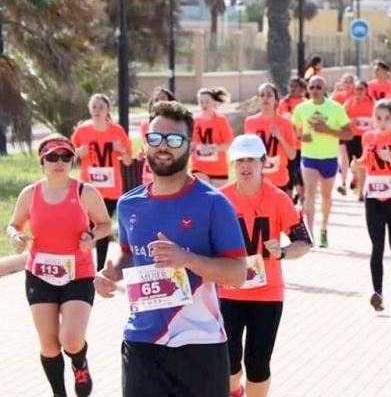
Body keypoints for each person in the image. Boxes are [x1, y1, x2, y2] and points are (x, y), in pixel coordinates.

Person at [93, 101, 247, 397]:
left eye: (174, 139)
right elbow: (128, 253)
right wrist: (112, 272)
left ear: (190, 145)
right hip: (143, 342)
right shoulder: (128, 204)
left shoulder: (213, 204)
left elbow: (238, 273)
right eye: (155, 138)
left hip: (200, 343)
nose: (163, 146)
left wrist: (186, 258)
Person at [7, 135, 112, 397]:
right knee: (50, 344)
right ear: (42, 161)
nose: (59, 162)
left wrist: (92, 236)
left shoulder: (84, 192)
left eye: (66, 157)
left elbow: (105, 224)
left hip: (78, 272)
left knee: (71, 339)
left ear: (72, 161)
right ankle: (59, 393)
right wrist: (15, 238)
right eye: (52, 157)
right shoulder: (30, 194)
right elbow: (13, 225)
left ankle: (79, 363)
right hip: (40, 274)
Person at [219, 135, 312, 397]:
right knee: (228, 362)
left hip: (267, 294)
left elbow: (303, 242)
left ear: (263, 163)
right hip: (228, 292)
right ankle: (235, 391)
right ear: (232, 165)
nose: (245, 166)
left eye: (251, 160)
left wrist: (282, 251)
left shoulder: (279, 198)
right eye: (239, 161)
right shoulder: (220, 199)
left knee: (258, 364)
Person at [353, 100, 391, 311]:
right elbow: (366, 161)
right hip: (374, 199)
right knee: (377, 246)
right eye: (378, 118)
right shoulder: (369, 137)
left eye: (387, 118)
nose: (383, 122)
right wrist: (357, 164)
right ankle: (377, 292)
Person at [71, 93, 133, 270]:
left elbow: (128, 161)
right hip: (88, 187)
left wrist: (121, 150)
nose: (97, 110)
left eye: (101, 107)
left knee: (102, 228)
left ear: (108, 110)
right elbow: (68, 157)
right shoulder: (82, 131)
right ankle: (86, 266)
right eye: (94, 107)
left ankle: (98, 268)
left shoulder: (117, 131)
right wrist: (78, 153)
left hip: (111, 188)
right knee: (87, 227)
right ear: (90, 109)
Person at [291, 76, 353, 247]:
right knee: (310, 192)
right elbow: (293, 130)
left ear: (325, 89)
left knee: (326, 196)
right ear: (307, 90)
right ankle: (309, 232)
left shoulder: (335, 108)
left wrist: (327, 130)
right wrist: (301, 136)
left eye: (318, 87)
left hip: (329, 158)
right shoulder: (301, 108)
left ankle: (324, 228)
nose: (315, 90)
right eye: (312, 87)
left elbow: (348, 134)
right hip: (309, 157)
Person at [244, 83, 298, 195]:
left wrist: (280, 137)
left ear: (276, 100)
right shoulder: (250, 122)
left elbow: (292, 155)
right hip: (257, 180)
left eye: (269, 95)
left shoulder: (285, 123)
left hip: (279, 180)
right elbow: (247, 152)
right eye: (262, 95)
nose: (265, 98)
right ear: (258, 100)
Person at [191, 87, 235, 187]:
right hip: (199, 166)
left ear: (213, 102)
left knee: (216, 199)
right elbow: (190, 142)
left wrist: (213, 148)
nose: (204, 104)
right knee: (203, 194)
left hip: (218, 169)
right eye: (201, 102)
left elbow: (229, 143)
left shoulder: (221, 120)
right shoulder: (194, 121)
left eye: (207, 101)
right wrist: (193, 148)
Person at [341, 80, 375, 199]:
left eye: (361, 89)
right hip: (352, 136)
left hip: (366, 137)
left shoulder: (371, 103)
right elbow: (341, 120)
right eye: (357, 89)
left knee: (363, 163)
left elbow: (376, 119)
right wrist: (350, 121)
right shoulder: (349, 103)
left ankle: (361, 192)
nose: (359, 91)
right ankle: (355, 177)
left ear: (366, 91)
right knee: (354, 163)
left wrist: (371, 123)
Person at [279, 77, 308, 203]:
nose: (292, 89)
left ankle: (303, 197)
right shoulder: (283, 103)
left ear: (302, 89)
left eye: (295, 86)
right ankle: (290, 199)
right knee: (291, 173)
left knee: (301, 173)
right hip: (288, 145)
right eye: (291, 86)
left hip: (303, 145)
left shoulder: (305, 103)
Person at [140, 87, 177, 185]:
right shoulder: (145, 124)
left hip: (170, 170)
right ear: (152, 104)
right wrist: (142, 151)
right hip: (150, 172)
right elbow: (145, 146)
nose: (160, 101)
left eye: (163, 98)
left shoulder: (177, 124)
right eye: (156, 99)